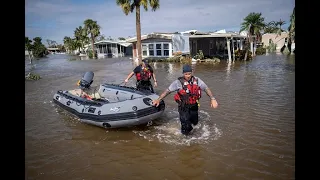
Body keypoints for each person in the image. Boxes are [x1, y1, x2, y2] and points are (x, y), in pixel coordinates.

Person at [152, 64, 218, 135]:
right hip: (183, 107)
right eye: (186, 74)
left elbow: (206, 88)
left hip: (194, 106)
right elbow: (167, 91)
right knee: (186, 127)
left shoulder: (197, 80)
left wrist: (212, 98)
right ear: (183, 73)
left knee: (195, 123)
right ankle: (186, 139)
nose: (188, 76)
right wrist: (158, 99)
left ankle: (193, 135)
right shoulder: (178, 82)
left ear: (192, 72)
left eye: (189, 74)